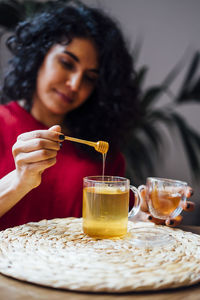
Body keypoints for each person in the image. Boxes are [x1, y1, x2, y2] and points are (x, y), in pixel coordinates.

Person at [0, 0, 194, 231]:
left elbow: (106, 234)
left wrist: (140, 221)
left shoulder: (103, 153)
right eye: (66, 63)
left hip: (78, 267)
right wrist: (18, 180)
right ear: (38, 56)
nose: (74, 84)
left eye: (90, 78)